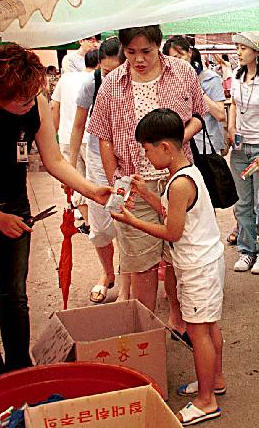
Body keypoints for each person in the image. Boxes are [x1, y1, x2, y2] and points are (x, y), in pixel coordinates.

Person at [0, 44, 111, 377]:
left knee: (15, 295)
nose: (32, 104)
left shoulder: (37, 104)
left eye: (34, 97)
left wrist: (90, 190)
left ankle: (20, 368)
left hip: (16, 210)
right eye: (24, 100)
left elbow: (55, 159)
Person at [113, 108, 226, 426]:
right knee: (209, 326)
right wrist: (146, 194)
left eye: (147, 150)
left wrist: (132, 220)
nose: (145, 157)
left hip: (196, 267)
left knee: (198, 331)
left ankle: (206, 401)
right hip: (207, 260)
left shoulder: (179, 185)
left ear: (165, 147)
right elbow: (172, 213)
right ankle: (214, 380)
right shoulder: (185, 174)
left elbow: (172, 231)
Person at [87, 25, 207, 316]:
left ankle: (178, 317)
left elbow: (198, 117)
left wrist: (173, 143)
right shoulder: (112, 83)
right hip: (133, 185)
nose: (139, 59)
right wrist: (116, 181)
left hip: (176, 184)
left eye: (146, 52)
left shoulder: (182, 72)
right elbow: (104, 136)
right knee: (141, 263)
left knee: (178, 255)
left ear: (158, 45)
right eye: (131, 53)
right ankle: (147, 325)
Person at [67, 37, 123, 304]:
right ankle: (107, 273)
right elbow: (78, 126)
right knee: (100, 226)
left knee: (128, 223)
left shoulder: (133, 83)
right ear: (99, 65)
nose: (111, 77)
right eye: (107, 72)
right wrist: (70, 170)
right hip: (96, 159)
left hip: (126, 158)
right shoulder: (91, 84)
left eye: (117, 72)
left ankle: (126, 280)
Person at [226, 31, 259, 273]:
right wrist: (231, 126)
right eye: (237, 47)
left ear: (256, 51)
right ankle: (246, 250)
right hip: (240, 148)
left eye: (243, 48)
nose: (238, 52)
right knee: (242, 202)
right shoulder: (237, 77)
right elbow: (235, 104)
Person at [51, 49, 98, 234]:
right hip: (91, 138)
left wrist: (54, 134)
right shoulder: (97, 79)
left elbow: (54, 106)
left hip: (66, 137)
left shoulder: (65, 79)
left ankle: (88, 223)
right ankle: (98, 223)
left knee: (76, 179)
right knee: (94, 180)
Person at [163, 36, 227, 154]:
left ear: (190, 53)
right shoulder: (168, 83)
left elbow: (220, 115)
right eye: (173, 59)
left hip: (206, 148)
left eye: (180, 56)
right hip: (182, 149)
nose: (178, 62)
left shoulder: (210, 79)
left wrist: (196, 88)